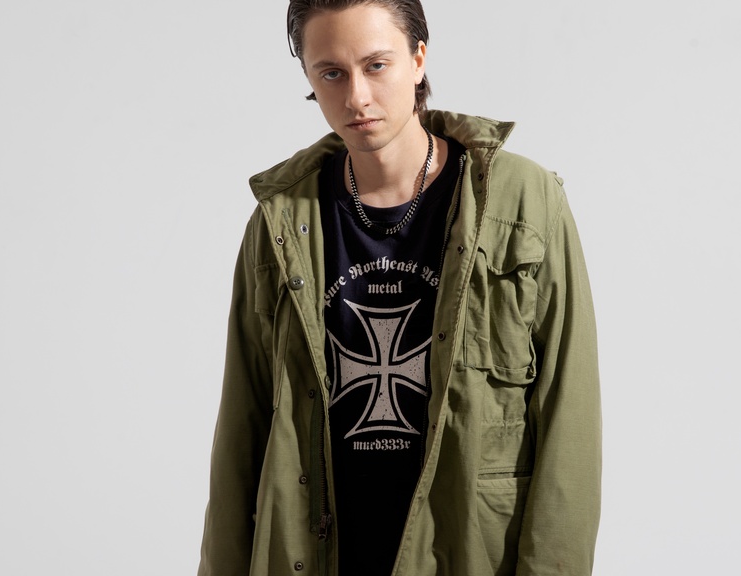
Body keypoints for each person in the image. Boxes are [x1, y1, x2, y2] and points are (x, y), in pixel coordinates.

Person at [197, 1, 601, 574]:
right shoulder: (280, 221)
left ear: (418, 59)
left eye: (376, 65)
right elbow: (243, 425)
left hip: (471, 552)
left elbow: (568, 413)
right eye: (331, 73)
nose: (356, 96)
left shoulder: (524, 202)